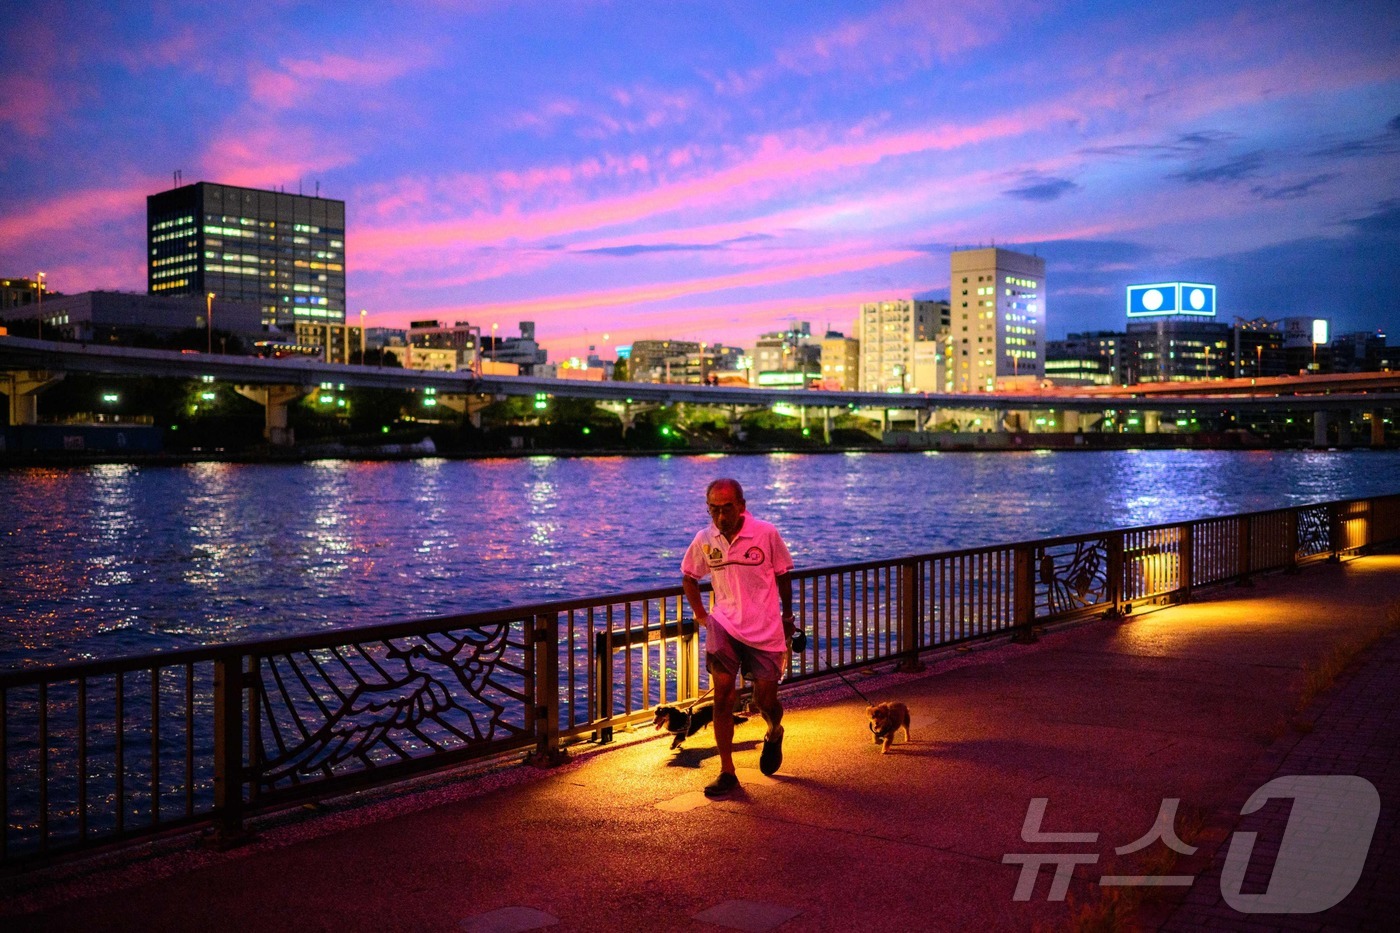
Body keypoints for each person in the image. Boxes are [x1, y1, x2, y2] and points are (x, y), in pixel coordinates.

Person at [681, 478, 796, 797]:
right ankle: (727, 771)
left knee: (764, 701)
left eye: (727, 508)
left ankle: (774, 731)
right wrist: (703, 616)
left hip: (764, 627)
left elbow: (784, 575)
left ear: (741, 506)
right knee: (723, 696)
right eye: (714, 509)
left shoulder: (766, 533)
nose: (720, 516)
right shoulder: (705, 539)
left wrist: (787, 617)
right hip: (724, 625)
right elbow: (689, 577)